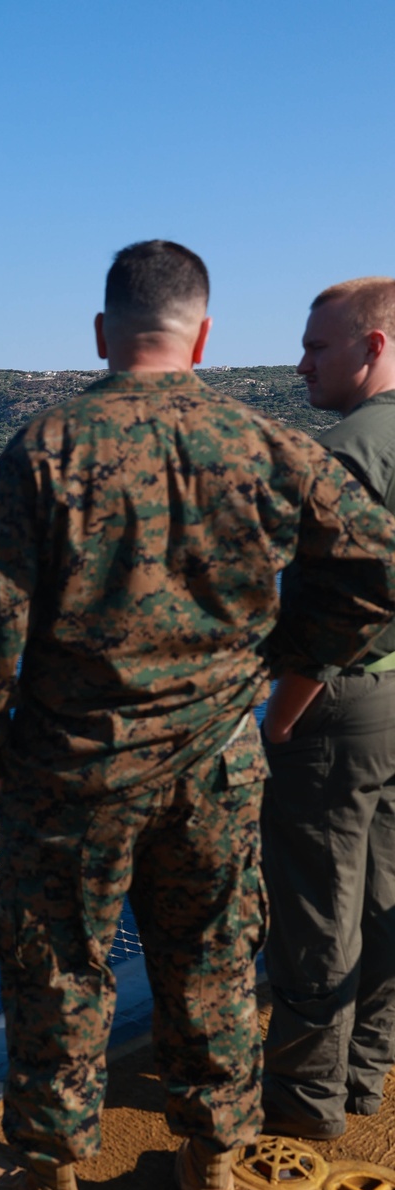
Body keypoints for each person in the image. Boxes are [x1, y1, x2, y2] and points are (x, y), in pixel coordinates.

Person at [0, 241, 395, 1190]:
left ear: (102, 336)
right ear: (202, 335)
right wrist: (284, 656)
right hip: (217, 762)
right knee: (213, 964)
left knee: (59, 971)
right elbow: (376, 568)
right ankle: (209, 1186)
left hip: (72, 774)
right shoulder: (262, 446)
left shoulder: (41, 451)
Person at [261, 278, 395, 1138]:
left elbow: (353, 597)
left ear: (373, 347)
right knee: (384, 892)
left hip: (339, 707)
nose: (301, 362)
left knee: (316, 906)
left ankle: (306, 1111)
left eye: (317, 346)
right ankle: (365, 1073)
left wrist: (282, 711)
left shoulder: (344, 452)